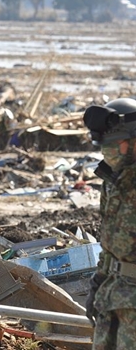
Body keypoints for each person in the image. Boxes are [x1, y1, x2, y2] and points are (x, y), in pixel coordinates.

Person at [82, 97, 136, 350]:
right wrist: (97, 284)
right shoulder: (111, 183)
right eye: (103, 145)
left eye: (115, 144)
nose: (108, 151)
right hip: (111, 296)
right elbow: (109, 245)